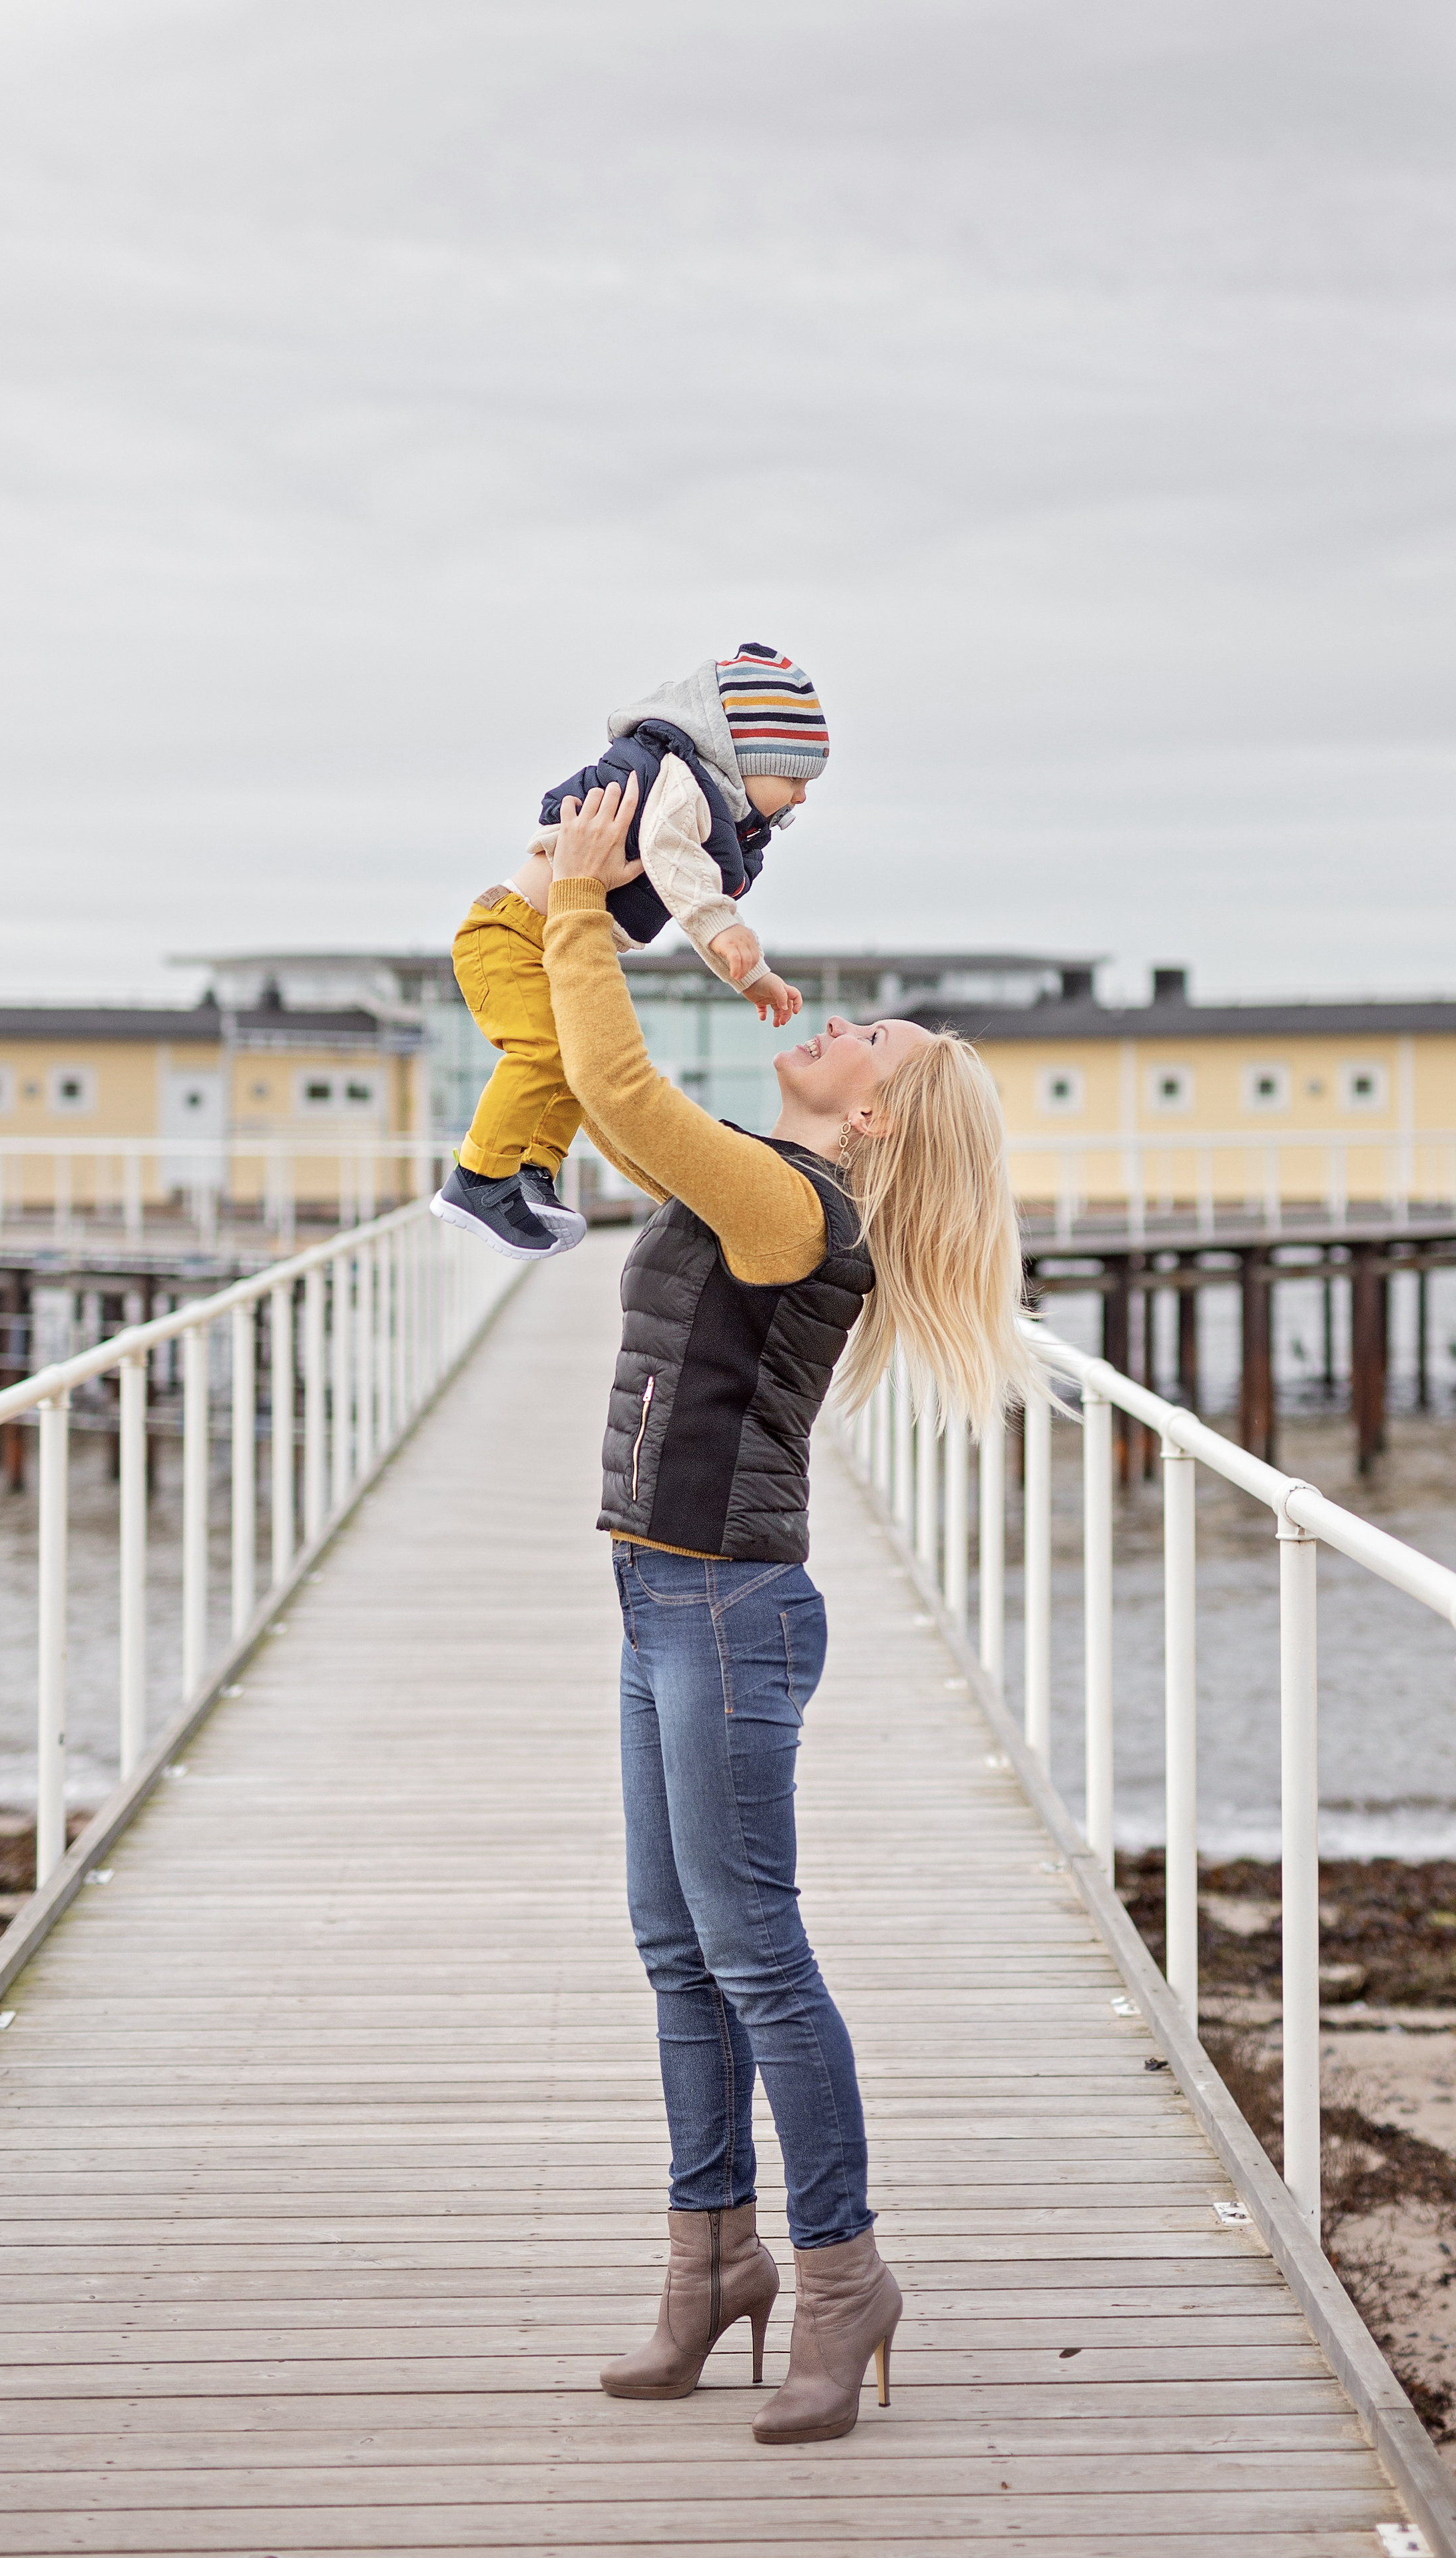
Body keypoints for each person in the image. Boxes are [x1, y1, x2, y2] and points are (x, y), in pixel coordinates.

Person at [538, 774, 1038, 2446]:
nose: (837, 1024)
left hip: (730, 1611)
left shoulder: (791, 1205)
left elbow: (615, 1089)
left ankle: (840, 2278)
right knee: (676, 1950)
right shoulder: (766, 1175)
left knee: (754, 1952)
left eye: (871, 1040)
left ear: (878, 1118)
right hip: (654, 1593)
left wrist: (577, 905)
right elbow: (589, 1081)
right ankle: (708, 2266)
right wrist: (576, 899)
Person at [430, 644, 823, 1263]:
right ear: (748, 757)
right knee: (545, 1052)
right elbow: (674, 859)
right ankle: (478, 1178)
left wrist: (753, 978)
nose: (801, 798)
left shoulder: (707, 795)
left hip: (546, 937)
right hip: (510, 933)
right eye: (795, 778)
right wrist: (724, 926)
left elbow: (687, 887)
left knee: (573, 1061)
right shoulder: (681, 783)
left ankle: (530, 1173)